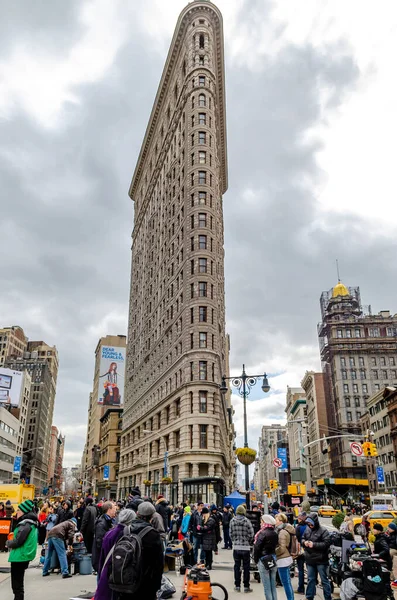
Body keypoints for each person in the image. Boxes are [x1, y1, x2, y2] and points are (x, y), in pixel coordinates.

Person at [117, 502, 164, 600]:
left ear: (137, 513)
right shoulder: (153, 535)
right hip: (146, 583)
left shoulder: (126, 530)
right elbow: (158, 563)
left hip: (126, 579)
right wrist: (156, 585)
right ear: (152, 517)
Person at [94, 508, 136, 600]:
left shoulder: (109, 534)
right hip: (122, 576)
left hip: (107, 574)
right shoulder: (130, 536)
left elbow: (103, 557)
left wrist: (101, 573)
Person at [5, 499, 38, 600]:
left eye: (19, 510)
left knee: (17, 586)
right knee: (19, 584)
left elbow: (18, 541)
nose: (17, 512)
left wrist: (8, 543)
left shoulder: (25, 524)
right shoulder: (32, 523)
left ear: (24, 511)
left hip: (19, 557)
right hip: (23, 556)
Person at [302, 513, 332, 600]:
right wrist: (304, 542)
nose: (310, 525)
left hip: (321, 559)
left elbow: (327, 543)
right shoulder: (307, 529)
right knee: (310, 579)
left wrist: (314, 545)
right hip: (310, 558)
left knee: (324, 580)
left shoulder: (323, 531)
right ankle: (309, 596)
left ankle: (328, 597)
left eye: (311, 524)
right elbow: (303, 538)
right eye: (308, 524)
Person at [230, 504, 254, 593]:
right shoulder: (247, 521)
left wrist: (234, 541)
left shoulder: (232, 521)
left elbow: (230, 534)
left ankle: (237, 585)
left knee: (237, 566)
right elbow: (252, 534)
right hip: (246, 547)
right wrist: (248, 540)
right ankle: (246, 586)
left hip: (236, 547)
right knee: (246, 567)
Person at [254, 514, 278, 600]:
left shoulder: (262, 533)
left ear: (265, 522)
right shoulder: (275, 533)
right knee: (272, 586)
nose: (260, 523)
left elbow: (257, 547)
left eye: (261, 521)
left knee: (267, 587)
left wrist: (256, 560)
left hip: (263, 559)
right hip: (273, 558)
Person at [274, 512, 295, 600]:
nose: (275, 521)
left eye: (276, 519)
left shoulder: (282, 532)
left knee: (285, 582)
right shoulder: (285, 529)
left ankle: (290, 599)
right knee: (287, 582)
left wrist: (274, 552)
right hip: (286, 558)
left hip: (283, 559)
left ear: (281, 521)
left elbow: (282, 548)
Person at [92, 501, 116, 573]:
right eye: (114, 508)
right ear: (109, 509)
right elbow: (100, 543)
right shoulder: (102, 524)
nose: (116, 510)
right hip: (101, 558)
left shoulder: (109, 521)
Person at [295, 512, 307, 594]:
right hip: (309, 550)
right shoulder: (309, 527)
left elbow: (296, 539)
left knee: (301, 569)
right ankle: (312, 589)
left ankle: (301, 588)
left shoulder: (298, 527)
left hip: (300, 550)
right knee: (311, 570)